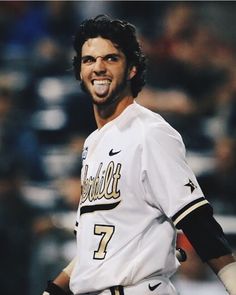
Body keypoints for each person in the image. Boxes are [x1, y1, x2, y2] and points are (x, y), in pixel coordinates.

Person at [42, 15, 236, 295]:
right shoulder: (92, 144)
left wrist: (231, 280)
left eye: (110, 58)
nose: (98, 67)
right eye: (88, 60)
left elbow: (196, 219)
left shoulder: (150, 131)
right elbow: (93, 249)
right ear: (80, 72)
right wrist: (54, 290)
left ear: (132, 69)